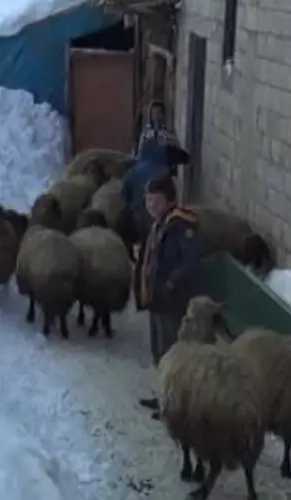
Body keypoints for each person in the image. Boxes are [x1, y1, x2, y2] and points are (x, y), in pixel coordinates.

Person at [134, 174, 205, 419]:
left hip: (173, 300)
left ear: (169, 200)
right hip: (157, 298)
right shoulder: (159, 225)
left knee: (171, 351)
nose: (150, 205)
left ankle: (174, 404)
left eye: (156, 200)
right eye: (148, 200)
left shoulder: (181, 225)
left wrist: (172, 281)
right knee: (159, 351)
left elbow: (191, 259)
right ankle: (164, 396)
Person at [122, 101, 187, 239]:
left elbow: (124, 195)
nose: (157, 116)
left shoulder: (134, 172)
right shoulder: (164, 175)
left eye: (159, 113)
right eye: (154, 113)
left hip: (140, 218)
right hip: (157, 219)